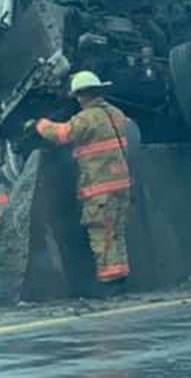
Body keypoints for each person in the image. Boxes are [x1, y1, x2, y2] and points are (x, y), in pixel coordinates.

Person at [31, 71, 135, 293]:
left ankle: (110, 285)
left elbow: (62, 134)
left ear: (82, 95)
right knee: (116, 234)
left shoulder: (87, 118)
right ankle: (121, 280)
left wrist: (39, 124)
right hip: (121, 185)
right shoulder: (116, 114)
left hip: (101, 189)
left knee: (102, 236)